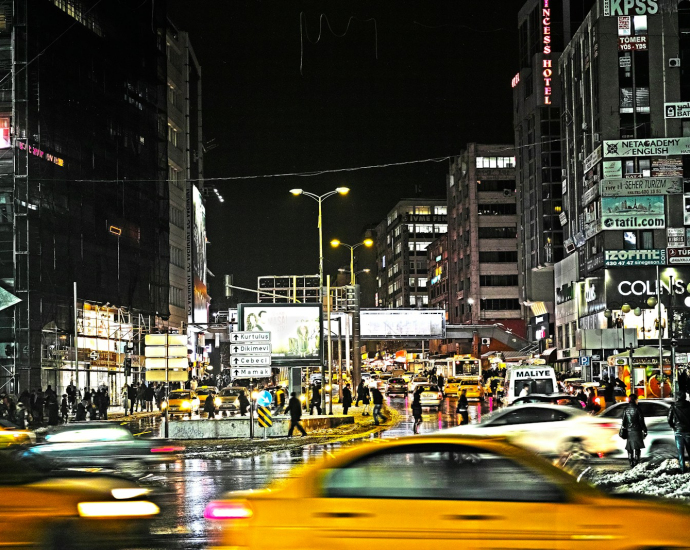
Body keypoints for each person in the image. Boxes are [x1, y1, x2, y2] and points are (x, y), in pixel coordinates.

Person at [621, 394, 647, 468]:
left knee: (629, 448)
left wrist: (625, 428)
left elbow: (623, 422)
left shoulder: (626, 409)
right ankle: (636, 462)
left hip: (629, 431)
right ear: (635, 400)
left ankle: (631, 463)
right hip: (637, 430)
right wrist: (644, 430)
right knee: (637, 448)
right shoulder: (637, 409)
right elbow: (641, 420)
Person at [668, 390, 690, 473]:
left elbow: (669, 419)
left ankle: (682, 468)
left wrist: (673, 427)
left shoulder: (674, 406)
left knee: (680, 451)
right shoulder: (689, 405)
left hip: (678, 431)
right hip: (688, 430)